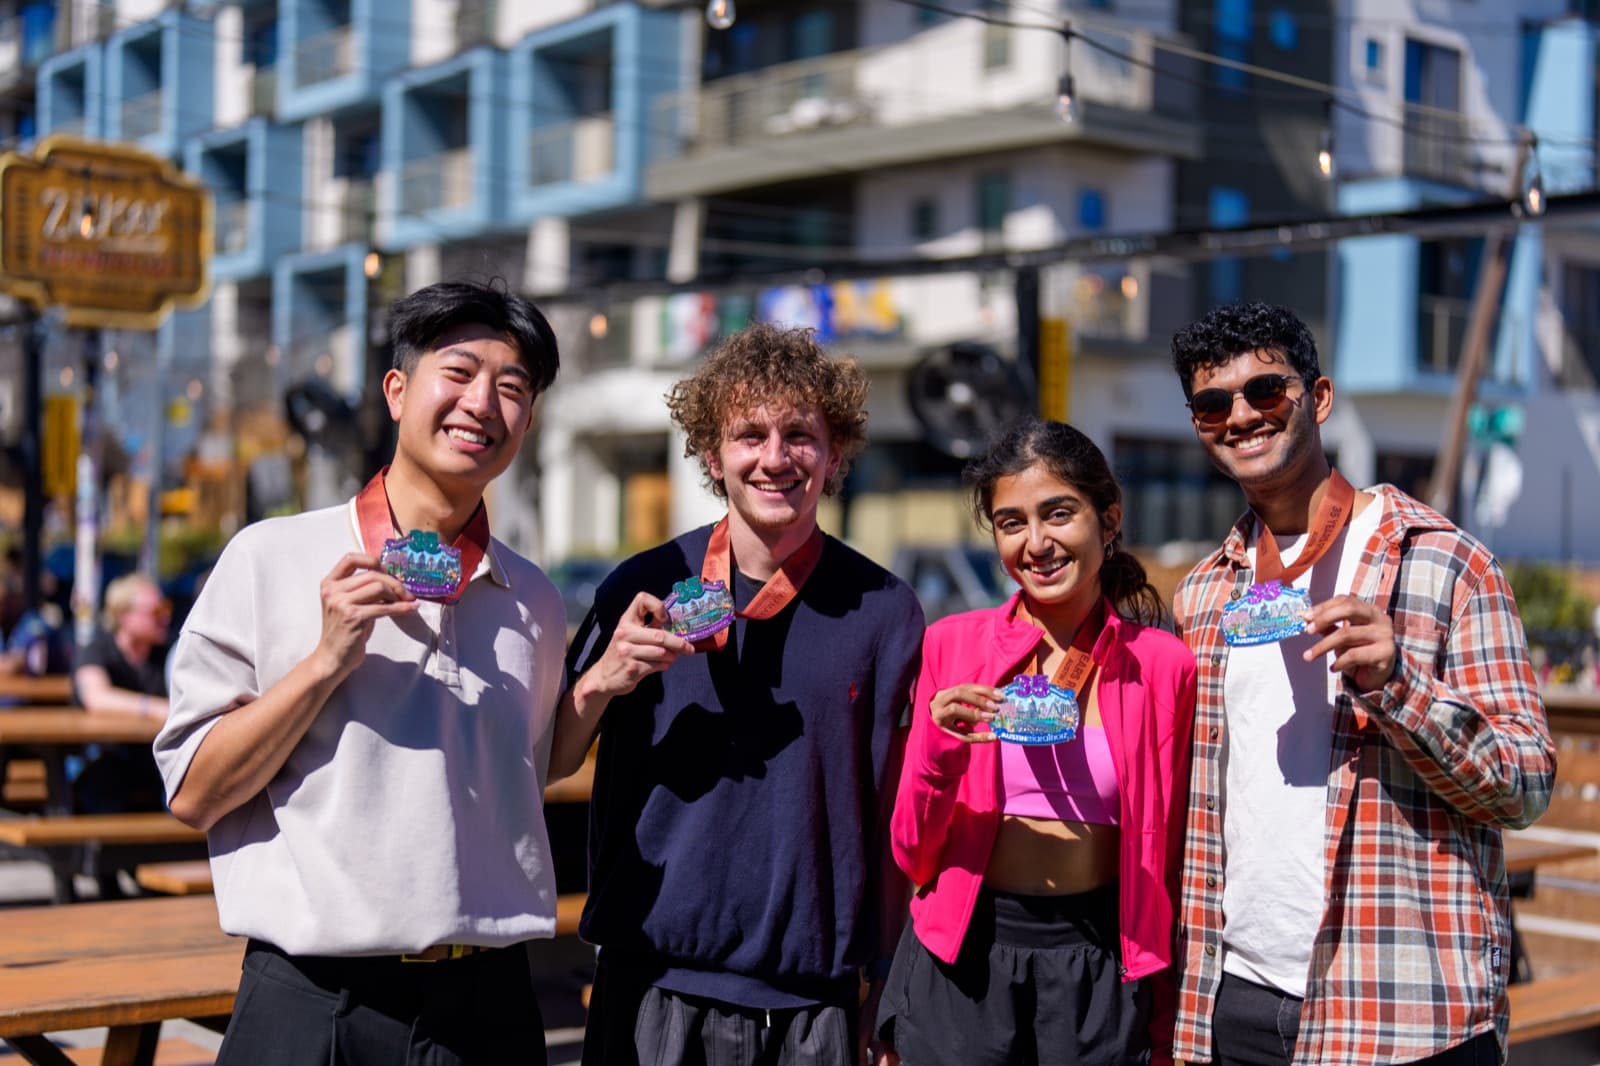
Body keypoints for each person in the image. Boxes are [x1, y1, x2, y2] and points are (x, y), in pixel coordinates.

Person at [155, 280, 566, 1065]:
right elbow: (195, 793)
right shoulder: (269, 557)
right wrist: (324, 663)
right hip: (315, 1005)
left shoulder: (534, 600)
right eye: (459, 372)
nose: (483, 403)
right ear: (397, 390)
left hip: (490, 1006)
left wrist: (605, 682)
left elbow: (528, 772)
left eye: (513, 388)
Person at [1167, 302, 1556, 1066]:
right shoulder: (1204, 595)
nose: (1239, 416)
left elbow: (1527, 787)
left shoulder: (1445, 565)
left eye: (1265, 391)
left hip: (1401, 1011)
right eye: (1213, 405)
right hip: (1235, 1001)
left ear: (1319, 398)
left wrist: (1400, 685)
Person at [553, 322, 924, 1066]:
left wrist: (888, 977)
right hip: (650, 986)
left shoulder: (884, 611)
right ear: (711, 454)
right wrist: (602, 679)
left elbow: (895, 818)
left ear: (836, 454)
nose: (774, 457)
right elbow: (552, 759)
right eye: (749, 434)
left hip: (810, 1005)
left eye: (800, 435)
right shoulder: (640, 584)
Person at [877, 418, 1195, 1066]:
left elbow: (1173, 858)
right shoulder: (951, 645)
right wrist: (939, 747)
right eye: (1011, 522)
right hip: (961, 962)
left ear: (1109, 520)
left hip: (1101, 969)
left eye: (1058, 513)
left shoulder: (1163, 665)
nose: (1037, 543)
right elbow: (912, 854)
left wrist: (1165, 1015)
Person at [72, 572, 172, 825]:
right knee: (106, 784)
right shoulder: (96, 649)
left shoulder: (167, 656)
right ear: (124, 616)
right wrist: (154, 708)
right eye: (156, 610)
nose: (165, 617)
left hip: (154, 760)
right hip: (103, 761)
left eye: (166, 608)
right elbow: (97, 697)